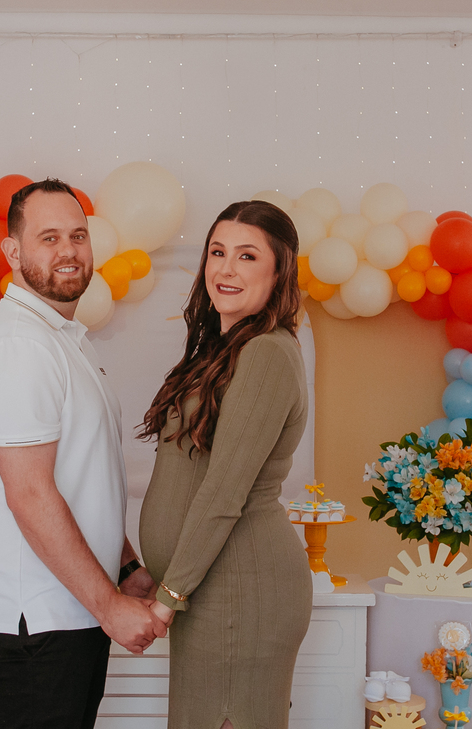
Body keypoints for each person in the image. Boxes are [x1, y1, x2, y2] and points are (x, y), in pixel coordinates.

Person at [0, 178, 168, 729]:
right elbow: (29, 494)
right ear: (12, 251)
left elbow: (83, 475)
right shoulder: (20, 347)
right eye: (48, 237)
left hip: (70, 609)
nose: (68, 250)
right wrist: (108, 606)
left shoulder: (62, 338)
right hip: (38, 618)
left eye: (77, 235)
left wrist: (125, 567)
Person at [138, 200, 312, 729]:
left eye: (246, 255)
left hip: (239, 590)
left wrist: (169, 598)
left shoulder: (264, 354)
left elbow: (224, 492)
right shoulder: (226, 348)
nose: (226, 268)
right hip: (210, 586)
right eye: (217, 252)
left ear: (278, 271)